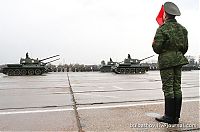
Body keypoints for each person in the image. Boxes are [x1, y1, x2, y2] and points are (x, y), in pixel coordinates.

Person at [152, 2, 189, 124]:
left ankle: (168, 117)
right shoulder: (183, 29)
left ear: (166, 14)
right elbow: (185, 48)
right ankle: (176, 117)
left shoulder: (162, 29)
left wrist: (154, 43)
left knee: (168, 88)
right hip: (178, 60)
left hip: (166, 62)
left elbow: (157, 48)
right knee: (177, 87)